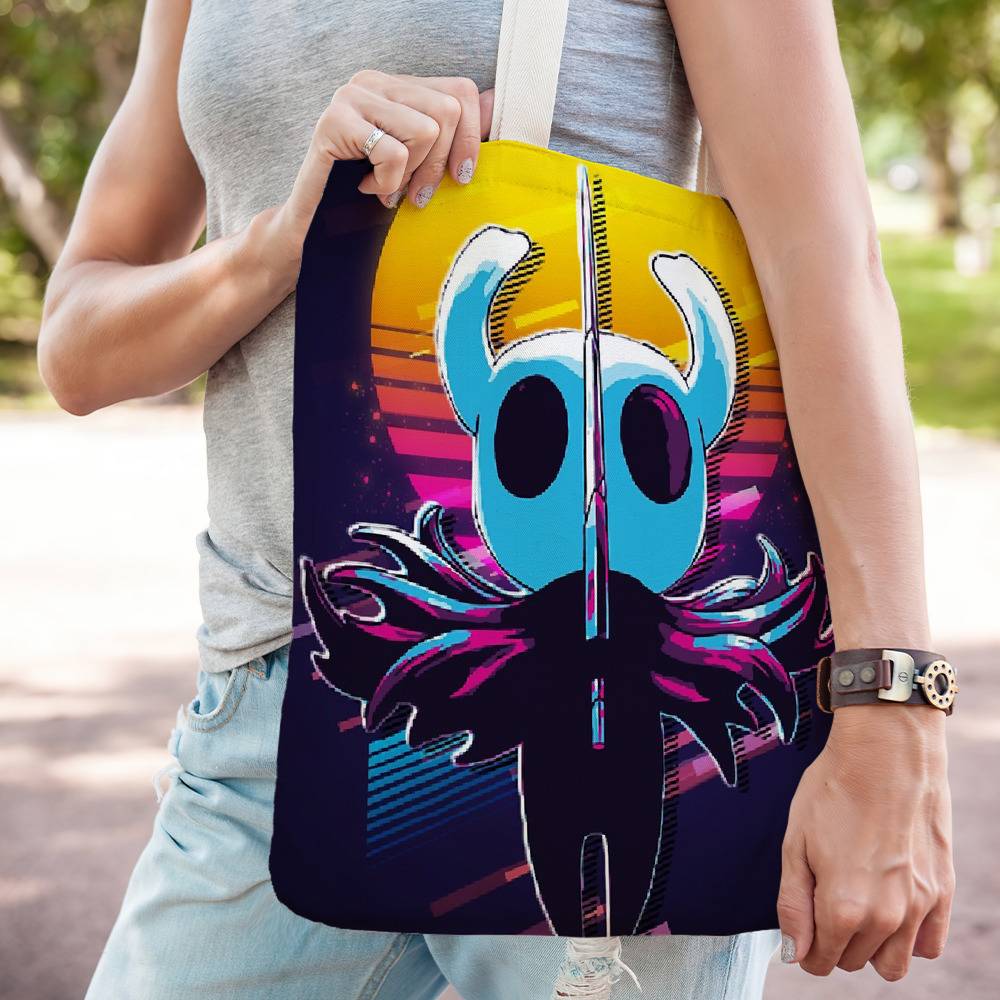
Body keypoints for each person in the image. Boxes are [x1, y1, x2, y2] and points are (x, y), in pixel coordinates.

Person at [38, 1, 955, 998]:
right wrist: (282, 242)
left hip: (623, 718)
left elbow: (824, 268)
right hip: (270, 693)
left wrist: (892, 710)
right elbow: (79, 346)